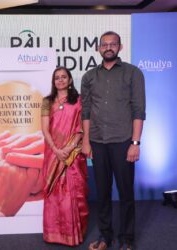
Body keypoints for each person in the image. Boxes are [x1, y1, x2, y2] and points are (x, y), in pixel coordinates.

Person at [81, 31, 146, 250]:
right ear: (99, 48)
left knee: (126, 192)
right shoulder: (89, 77)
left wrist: (135, 143)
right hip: (98, 141)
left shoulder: (132, 73)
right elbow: (86, 111)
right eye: (104, 44)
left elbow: (138, 110)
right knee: (103, 192)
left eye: (113, 44)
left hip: (123, 141)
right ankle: (105, 237)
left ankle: (127, 239)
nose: (108, 47)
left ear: (120, 47)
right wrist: (86, 141)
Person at [41, 67, 89, 246]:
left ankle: (73, 234)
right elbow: (45, 129)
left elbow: (81, 127)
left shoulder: (79, 101)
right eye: (57, 78)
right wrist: (56, 149)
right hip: (53, 154)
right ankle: (54, 234)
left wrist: (68, 149)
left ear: (70, 80)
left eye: (63, 77)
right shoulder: (47, 101)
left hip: (72, 154)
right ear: (53, 82)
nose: (60, 80)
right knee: (54, 195)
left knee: (73, 193)